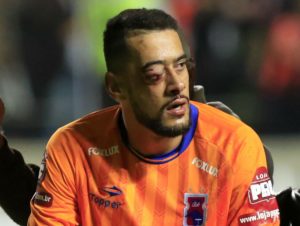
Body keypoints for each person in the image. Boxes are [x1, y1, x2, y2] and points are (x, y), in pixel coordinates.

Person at [24, 8, 280, 225]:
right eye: (155, 74)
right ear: (115, 87)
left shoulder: (236, 145)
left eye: (180, 66)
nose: (177, 85)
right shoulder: (71, 149)